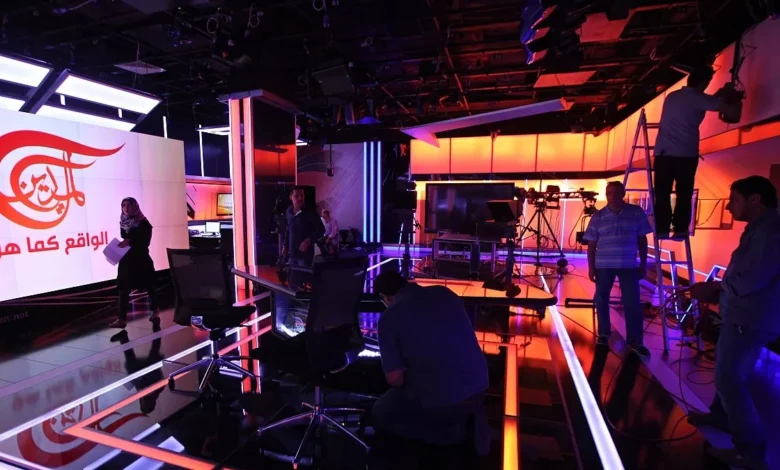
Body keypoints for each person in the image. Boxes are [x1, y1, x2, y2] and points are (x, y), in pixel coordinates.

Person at [688, 176, 780, 470]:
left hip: (749, 318)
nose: (728, 207)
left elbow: (751, 279)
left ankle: (751, 453)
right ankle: (721, 417)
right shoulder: (758, 229)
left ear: (755, 199)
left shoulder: (770, 231)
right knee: (727, 375)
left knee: (730, 381)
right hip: (741, 315)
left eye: (734, 200)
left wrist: (715, 288)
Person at [371, 271, 489, 448]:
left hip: (442, 398)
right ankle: (464, 424)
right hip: (479, 386)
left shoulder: (390, 317)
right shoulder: (445, 293)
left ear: (385, 298)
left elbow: (395, 379)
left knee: (380, 412)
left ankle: (445, 438)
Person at [654, 67, 734, 238]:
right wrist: (728, 93)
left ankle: (662, 229)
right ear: (704, 82)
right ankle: (680, 230)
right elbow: (724, 108)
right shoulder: (699, 98)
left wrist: (718, 94)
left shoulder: (672, 96)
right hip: (685, 154)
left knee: (662, 193)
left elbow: (703, 101)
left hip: (663, 153)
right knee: (684, 193)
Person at [583, 181, 653, 357]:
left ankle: (635, 341)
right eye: (608, 193)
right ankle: (604, 334)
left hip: (628, 265)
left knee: (632, 303)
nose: (611, 196)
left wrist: (644, 263)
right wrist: (591, 267)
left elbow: (642, 240)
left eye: (615, 193)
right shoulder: (598, 216)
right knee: (601, 300)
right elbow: (592, 244)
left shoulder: (636, 212)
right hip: (603, 265)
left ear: (623, 193)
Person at [110, 197, 159, 329]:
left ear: (134, 207)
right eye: (123, 205)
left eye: (128, 205)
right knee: (123, 288)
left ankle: (155, 311)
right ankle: (121, 319)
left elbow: (145, 242)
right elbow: (125, 238)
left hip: (141, 260)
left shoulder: (144, 223)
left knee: (150, 286)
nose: (126, 208)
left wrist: (130, 241)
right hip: (127, 260)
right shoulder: (123, 222)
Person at [282, 186, 325, 267]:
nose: (300, 198)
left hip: (305, 256)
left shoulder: (310, 212)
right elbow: (288, 229)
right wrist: (285, 245)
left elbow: (321, 229)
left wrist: (308, 240)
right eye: (297, 196)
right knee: (292, 275)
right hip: (292, 255)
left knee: (304, 274)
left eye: (302, 195)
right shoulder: (288, 211)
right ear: (291, 197)